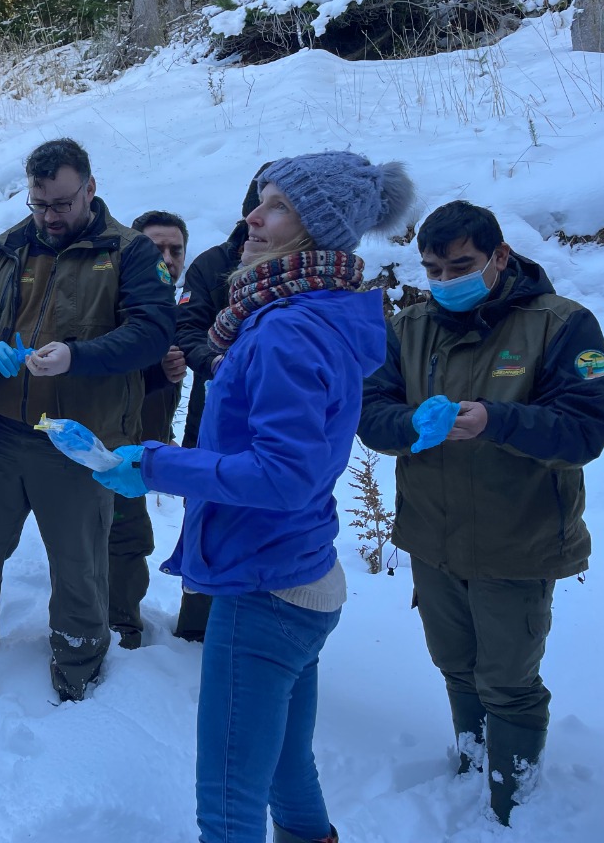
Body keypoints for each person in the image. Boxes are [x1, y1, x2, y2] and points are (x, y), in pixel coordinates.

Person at [95, 151, 413, 843]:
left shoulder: (288, 329)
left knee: (230, 799)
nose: (251, 216)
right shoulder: (314, 308)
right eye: (258, 200)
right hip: (300, 572)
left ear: (314, 230)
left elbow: (281, 476)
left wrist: (157, 466)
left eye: (274, 206)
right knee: (282, 767)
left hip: (266, 585)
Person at [358, 200, 604, 825]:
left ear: (499, 257)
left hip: (517, 540)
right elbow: (369, 413)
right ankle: (472, 758)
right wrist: (410, 423)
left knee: (508, 680)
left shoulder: (562, 325)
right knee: (455, 665)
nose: (444, 281)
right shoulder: (407, 326)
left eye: (460, 266)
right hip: (431, 535)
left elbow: (585, 431)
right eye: (433, 268)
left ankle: (512, 799)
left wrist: (498, 421)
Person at [0, 137, 174, 702]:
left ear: (89, 189)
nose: (50, 216)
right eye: (39, 205)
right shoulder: (4, 249)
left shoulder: (129, 252)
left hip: (76, 438)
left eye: (62, 204)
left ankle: (77, 665)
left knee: (79, 564)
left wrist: (77, 356)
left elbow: (152, 331)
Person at [169, 165, 270, 642]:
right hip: (213, 412)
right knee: (206, 511)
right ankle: (196, 628)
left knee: (268, 516)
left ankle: (256, 624)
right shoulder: (213, 265)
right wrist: (219, 364)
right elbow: (185, 329)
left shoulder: (315, 268)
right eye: (259, 207)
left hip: (277, 418)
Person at [108, 211, 190, 649]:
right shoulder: (117, 306)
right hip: (109, 448)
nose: (167, 258)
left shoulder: (176, 310)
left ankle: (117, 617)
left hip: (144, 447)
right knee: (125, 537)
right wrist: (157, 374)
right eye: (156, 248)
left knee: (124, 537)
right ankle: (118, 627)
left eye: (175, 250)